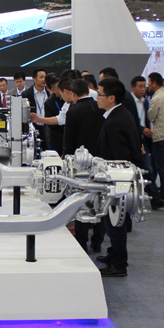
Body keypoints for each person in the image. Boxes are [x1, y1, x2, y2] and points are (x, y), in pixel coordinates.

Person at [95, 78, 144, 277]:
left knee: (115, 222)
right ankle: (113, 253)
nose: (97, 98)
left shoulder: (116, 120)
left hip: (117, 181)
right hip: (117, 179)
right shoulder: (120, 114)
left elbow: (120, 158)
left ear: (111, 98)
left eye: (100, 94)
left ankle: (118, 264)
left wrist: (113, 180)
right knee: (112, 221)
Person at [64, 79, 106, 254]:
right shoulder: (99, 107)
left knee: (81, 201)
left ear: (73, 94)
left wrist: (66, 158)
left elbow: (69, 139)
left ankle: (81, 242)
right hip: (100, 160)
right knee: (101, 201)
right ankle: (97, 242)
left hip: (80, 163)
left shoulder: (73, 111)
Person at [147, 72, 164, 203]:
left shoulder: (156, 98)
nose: (148, 85)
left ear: (155, 83)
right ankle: (154, 190)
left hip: (159, 135)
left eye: (149, 82)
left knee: (162, 166)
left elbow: (151, 116)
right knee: (156, 165)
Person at [23, 69, 48, 150]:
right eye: (41, 77)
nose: (44, 79)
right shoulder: (26, 94)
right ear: (34, 79)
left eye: (45, 77)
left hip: (47, 127)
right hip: (33, 127)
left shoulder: (50, 93)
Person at [44, 74, 64, 155]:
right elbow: (50, 124)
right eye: (58, 88)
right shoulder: (49, 102)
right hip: (56, 138)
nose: (61, 90)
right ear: (53, 90)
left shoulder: (68, 99)